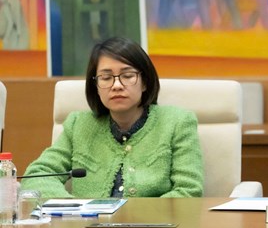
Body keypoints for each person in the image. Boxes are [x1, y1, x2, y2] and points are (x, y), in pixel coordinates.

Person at [22, 37, 204, 198]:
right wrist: (75, 209)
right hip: (88, 225)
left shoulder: (177, 122)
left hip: (153, 225)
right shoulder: (78, 125)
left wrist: (135, 216)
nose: (116, 85)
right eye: (106, 77)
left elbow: (189, 191)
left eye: (127, 75)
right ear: (96, 86)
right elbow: (37, 175)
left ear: (145, 82)